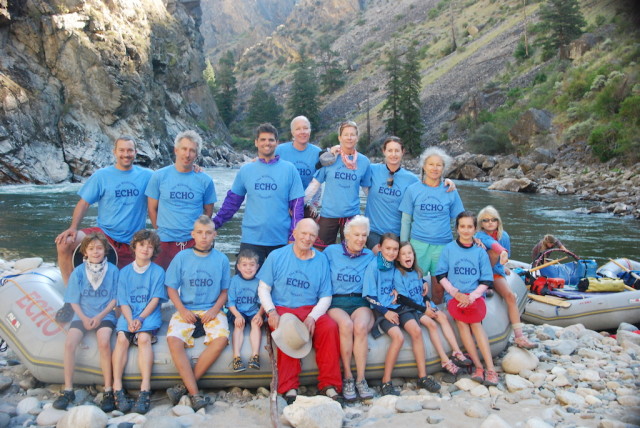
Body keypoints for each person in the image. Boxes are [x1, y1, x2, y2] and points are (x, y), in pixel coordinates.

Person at [257, 218, 342, 404]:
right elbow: (263, 288)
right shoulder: (277, 256)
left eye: (312, 235)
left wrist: (312, 317)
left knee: (329, 327)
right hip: (283, 307)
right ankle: (289, 386)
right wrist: (271, 312)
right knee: (287, 330)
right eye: (303, 233)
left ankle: (330, 384)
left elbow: (326, 296)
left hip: (310, 308)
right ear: (294, 233)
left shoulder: (321, 260)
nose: (307, 238)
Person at [55, 136, 152, 283]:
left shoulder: (147, 176)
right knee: (64, 243)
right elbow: (84, 204)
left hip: (133, 241)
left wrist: (195, 169)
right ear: (114, 152)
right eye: (122, 150)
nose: (126, 154)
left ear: (135, 152)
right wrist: (73, 228)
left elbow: (172, 175)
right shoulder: (101, 176)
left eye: (130, 150)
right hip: (104, 235)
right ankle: (70, 294)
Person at [214, 123, 304, 266]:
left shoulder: (289, 170)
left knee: (281, 286)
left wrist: (295, 235)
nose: (266, 143)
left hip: (281, 239)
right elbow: (232, 203)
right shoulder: (246, 170)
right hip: (252, 239)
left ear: (277, 143)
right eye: (262, 139)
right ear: (256, 142)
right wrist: (214, 224)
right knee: (245, 283)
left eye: (271, 140)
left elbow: (297, 205)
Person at [362, 233, 441, 396]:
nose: (391, 252)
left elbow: (411, 274)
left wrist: (424, 284)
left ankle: (423, 377)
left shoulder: (394, 265)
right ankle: (386, 381)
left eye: (395, 249)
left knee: (417, 331)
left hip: (400, 307)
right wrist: (385, 312)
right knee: (398, 337)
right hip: (381, 310)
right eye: (388, 249)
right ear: (380, 248)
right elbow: (369, 295)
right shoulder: (374, 266)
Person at [165, 216, 230, 410]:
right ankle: (194, 393)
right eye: (200, 233)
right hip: (187, 307)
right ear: (192, 234)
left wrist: (214, 310)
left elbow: (224, 292)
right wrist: (182, 310)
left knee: (221, 339)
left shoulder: (221, 259)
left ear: (214, 235)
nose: (204, 237)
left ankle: (184, 387)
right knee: (173, 340)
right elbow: (171, 287)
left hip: (211, 307)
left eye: (208, 233)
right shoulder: (182, 257)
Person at [53, 232, 118, 411]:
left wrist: (99, 317)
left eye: (99, 248)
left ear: (105, 251)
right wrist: (84, 318)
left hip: (104, 314)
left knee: (104, 342)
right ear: (85, 253)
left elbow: (114, 298)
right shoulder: (79, 272)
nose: (96, 252)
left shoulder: (112, 271)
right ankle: (68, 389)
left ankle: (108, 389)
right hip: (82, 314)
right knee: (70, 343)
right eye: (91, 249)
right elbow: (73, 299)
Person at [435, 211, 499, 386]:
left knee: (476, 324)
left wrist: (472, 297)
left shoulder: (479, 252)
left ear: (475, 229)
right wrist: (455, 293)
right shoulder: (449, 249)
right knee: (462, 323)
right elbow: (440, 274)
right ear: (457, 228)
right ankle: (478, 367)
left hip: (474, 295)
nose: (465, 230)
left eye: (469, 226)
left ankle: (491, 369)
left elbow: (486, 279)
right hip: (455, 295)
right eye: (462, 226)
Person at [393, 241, 472, 377]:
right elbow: (403, 299)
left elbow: (420, 292)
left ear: (414, 255)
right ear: (398, 258)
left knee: (442, 317)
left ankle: (456, 351)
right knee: (431, 325)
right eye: (403, 254)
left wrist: (427, 300)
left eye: (409, 253)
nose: (407, 256)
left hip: (422, 303)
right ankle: (444, 360)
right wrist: (424, 310)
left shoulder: (417, 272)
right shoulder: (398, 274)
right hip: (413, 308)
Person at [365, 137, 456, 251]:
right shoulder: (372, 170)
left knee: (397, 265)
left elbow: (430, 186)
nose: (393, 154)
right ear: (384, 151)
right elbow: (353, 167)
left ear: (403, 152)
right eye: (390, 150)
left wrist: (446, 182)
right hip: (374, 231)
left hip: (398, 234)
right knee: (381, 256)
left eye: (397, 151)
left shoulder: (412, 179)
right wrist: (336, 150)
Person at [399, 147, 464, 304]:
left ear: (443, 168)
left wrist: (464, 244)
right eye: (431, 164)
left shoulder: (450, 190)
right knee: (414, 283)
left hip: (442, 246)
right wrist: (403, 245)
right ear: (424, 166)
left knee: (439, 286)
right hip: (418, 245)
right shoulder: (413, 190)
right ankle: (415, 313)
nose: (434, 168)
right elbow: (406, 221)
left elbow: (460, 220)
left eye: (439, 165)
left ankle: (437, 313)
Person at [111, 229, 166, 414]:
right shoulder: (124, 272)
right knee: (121, 339)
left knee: (143, 339)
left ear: (154, 250)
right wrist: (129, 319)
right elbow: (123, 301)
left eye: (150, 247)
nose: (145, 249)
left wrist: (141, 318)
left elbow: (155, 299)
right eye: (142, 245)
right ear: (134, 247)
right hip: (129, 313)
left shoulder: (158, 272)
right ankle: (117, 386)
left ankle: (145, 388)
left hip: (147, 314)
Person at [146, 130, 216, 269]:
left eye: (192, 150)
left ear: (196, 154)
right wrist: (159, 228)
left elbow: (208, 212)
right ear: (176, 150)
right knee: (162, 283)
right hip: (164, 242)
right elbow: (152, 209)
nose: (187, 154)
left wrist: (198, 234)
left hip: (192, 242)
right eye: (184, 149)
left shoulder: (205, 181)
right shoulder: (159, 177)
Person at [323, 215, 376, 401]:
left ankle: (361, 379)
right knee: (346, 325)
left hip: (360, 302)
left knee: (360, 326)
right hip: (337, 302)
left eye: (364, 235)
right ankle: (347, 377)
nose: (361, 239)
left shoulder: (370, 256)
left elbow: (386, 273)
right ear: (346, 235)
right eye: (356, 235)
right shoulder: (331, 252)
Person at [305, 121, 372, 250]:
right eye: (346, 134)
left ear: (357, 138)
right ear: (339, 138)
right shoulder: (330, 158)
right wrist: (299, 204)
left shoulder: (364, 162)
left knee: (351, 251)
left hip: (351, 216)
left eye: (352, 134)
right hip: (328, 214)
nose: (349, 137)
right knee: (320, 251)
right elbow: (315, 184)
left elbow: (367, 190)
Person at [476, 206, 536, 349]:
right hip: (480, 272)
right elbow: (493, 246)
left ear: (498, 221)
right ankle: (486, 286)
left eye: (493, 220)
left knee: (509, 295)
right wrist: (501, 252)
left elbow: (503, 256)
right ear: (481, 223)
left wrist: (503, 266)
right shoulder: (479, 236)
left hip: (495, 271)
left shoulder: (505, 236)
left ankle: (519, 336)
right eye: (486, 220)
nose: (490, 223)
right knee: (494, 252)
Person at [227, 249, 264, 372]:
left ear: (257, 266)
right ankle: (236, 357)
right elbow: (230, 302)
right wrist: (237, 315)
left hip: (253, 310)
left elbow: (264, 301)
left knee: (255, 324)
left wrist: (259, 314)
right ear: (238, 267)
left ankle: (255, 356)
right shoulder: (234, 281)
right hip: (239, 311)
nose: (248, 268)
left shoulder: (260, 281)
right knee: (239, 325)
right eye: (244, 265)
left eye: (252, 265)